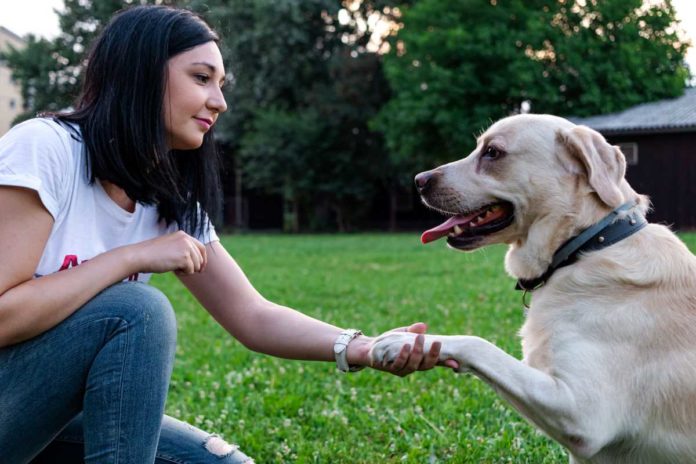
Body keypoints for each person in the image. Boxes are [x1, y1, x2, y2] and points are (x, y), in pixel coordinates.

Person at [0, 5, 453, 464]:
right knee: (135, 309)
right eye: (201, 78)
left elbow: (252, 315)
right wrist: (129, 258)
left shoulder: (167, 197)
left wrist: (361, 347)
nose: (220, 102)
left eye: (221, 85)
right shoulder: (47, 148)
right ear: (139, 74)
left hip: (52, 420)